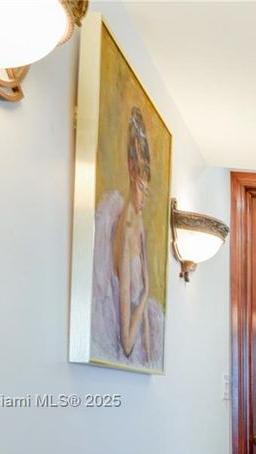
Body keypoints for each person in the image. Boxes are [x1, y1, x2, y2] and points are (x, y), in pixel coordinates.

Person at [91, 107, 164, 370]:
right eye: (141, 188)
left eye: (147, 190)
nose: (143, 197)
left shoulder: (140, 222)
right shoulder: (123, 231)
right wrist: (146, 292)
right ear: (131, 174)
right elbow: (127, 343)